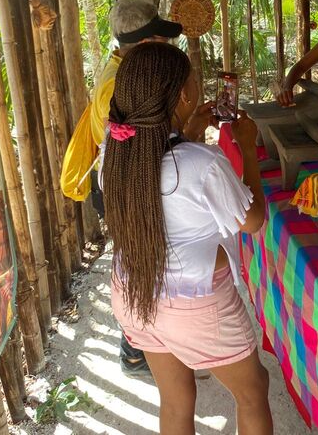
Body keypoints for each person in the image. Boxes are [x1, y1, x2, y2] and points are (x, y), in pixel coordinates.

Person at [101, 42, 273, 435]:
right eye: (193, 81)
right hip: (194, 305)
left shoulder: (114, 150)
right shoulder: (202, 163)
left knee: (176, 398)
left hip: (134, 291)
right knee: (253, 392)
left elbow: (161, 176)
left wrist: (186, 133)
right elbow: (253, 221)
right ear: (183, 95)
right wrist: (248, 149)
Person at [62, 0, 213, 376]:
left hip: (125, 178)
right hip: (128, 182)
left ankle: (141, 345)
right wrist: (190, 132)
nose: (166, 45)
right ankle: (137, 348)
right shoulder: (121, 83)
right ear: (147, 43)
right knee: (144, 261)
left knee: (143, 260)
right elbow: (145, 148)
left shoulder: (123, 67)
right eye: (161, 39)